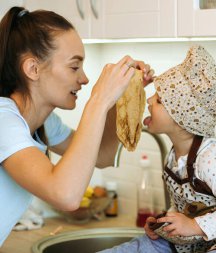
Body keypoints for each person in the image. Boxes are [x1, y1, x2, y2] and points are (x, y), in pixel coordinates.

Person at [99, 45, 216, 253]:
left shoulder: (209, 158)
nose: (150, 100)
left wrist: (193, 226)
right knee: (144, 246)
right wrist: (166, 223)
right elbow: (187, 205)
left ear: (182, 120)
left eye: (159, 100)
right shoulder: (174, 157)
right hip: (208, 235)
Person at [0, 6, 154, 246]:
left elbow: (102, 156)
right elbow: (66, 195)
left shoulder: (43, 122)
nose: (84, 79)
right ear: (33, 69)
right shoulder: (3, 119)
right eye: (74, 67)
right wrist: (99, 100)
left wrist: (119, 98)